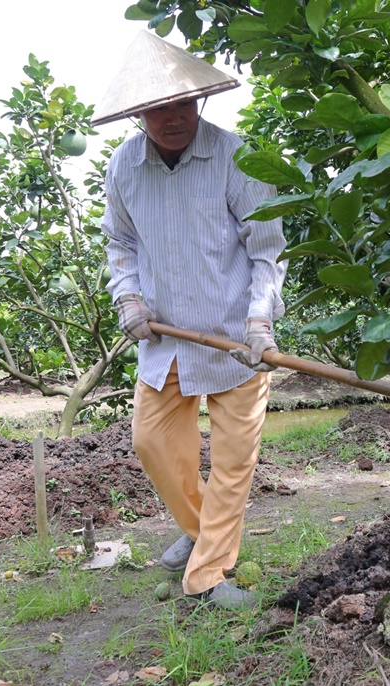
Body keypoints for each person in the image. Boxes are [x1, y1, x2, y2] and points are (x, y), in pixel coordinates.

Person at [93, 31, 287, 610]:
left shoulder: (237, 156)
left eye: (181, 104)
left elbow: (266, 248)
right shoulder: (124, 167)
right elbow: (119, 244)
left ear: (199, 101)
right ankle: (204, 530)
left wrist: (259, 323)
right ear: (138, 115)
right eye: (157, 108)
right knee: (153, 443)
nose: (171, 117)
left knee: (232, 463)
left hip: (235, 340)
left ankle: (208, 576)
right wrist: (128, 298)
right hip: (166, 342)